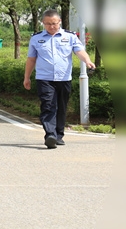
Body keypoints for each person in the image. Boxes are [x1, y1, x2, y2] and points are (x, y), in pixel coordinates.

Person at [24, 9, 95, 149]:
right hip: (44, 78)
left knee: (61, 107)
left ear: (59, 22)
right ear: (43, 23)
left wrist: (87, 61)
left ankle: (58, 135)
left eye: (54, 23)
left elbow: (79, 51)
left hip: (64, 78)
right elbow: (31, 59)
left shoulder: (70, 36)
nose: (51, 26)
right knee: (48, 105)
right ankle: (50, 134)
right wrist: (27, 77)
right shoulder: (36, 38)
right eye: (48, 24)